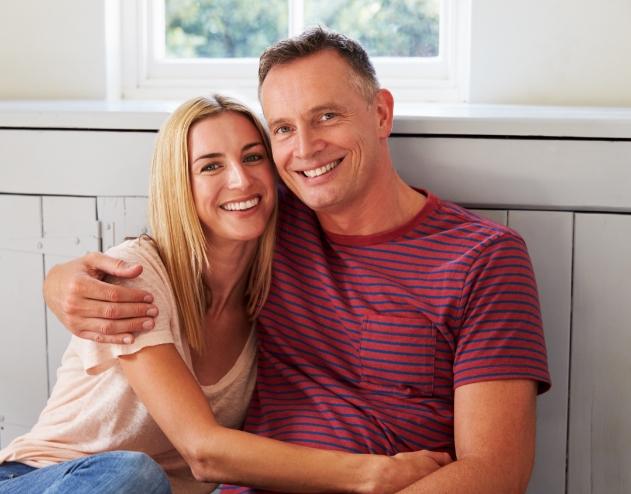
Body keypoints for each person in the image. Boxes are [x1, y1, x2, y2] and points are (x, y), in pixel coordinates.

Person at [42, 27, 551, 494]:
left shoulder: (483, 258)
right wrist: (59, 282)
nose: (305, 149)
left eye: (326, 116)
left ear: (380, 114)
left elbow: (496, 472)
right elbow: (160, 248)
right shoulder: (265, 223)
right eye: (282, 129)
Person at [0, 94, 452, 494]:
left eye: (253, 157)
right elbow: (204, 452)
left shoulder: (274, 293)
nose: (240, 180)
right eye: (211, 166)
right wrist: (372, 476)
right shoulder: (137, 275)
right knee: (133, 475)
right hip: (43, 479)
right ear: (181, 185)